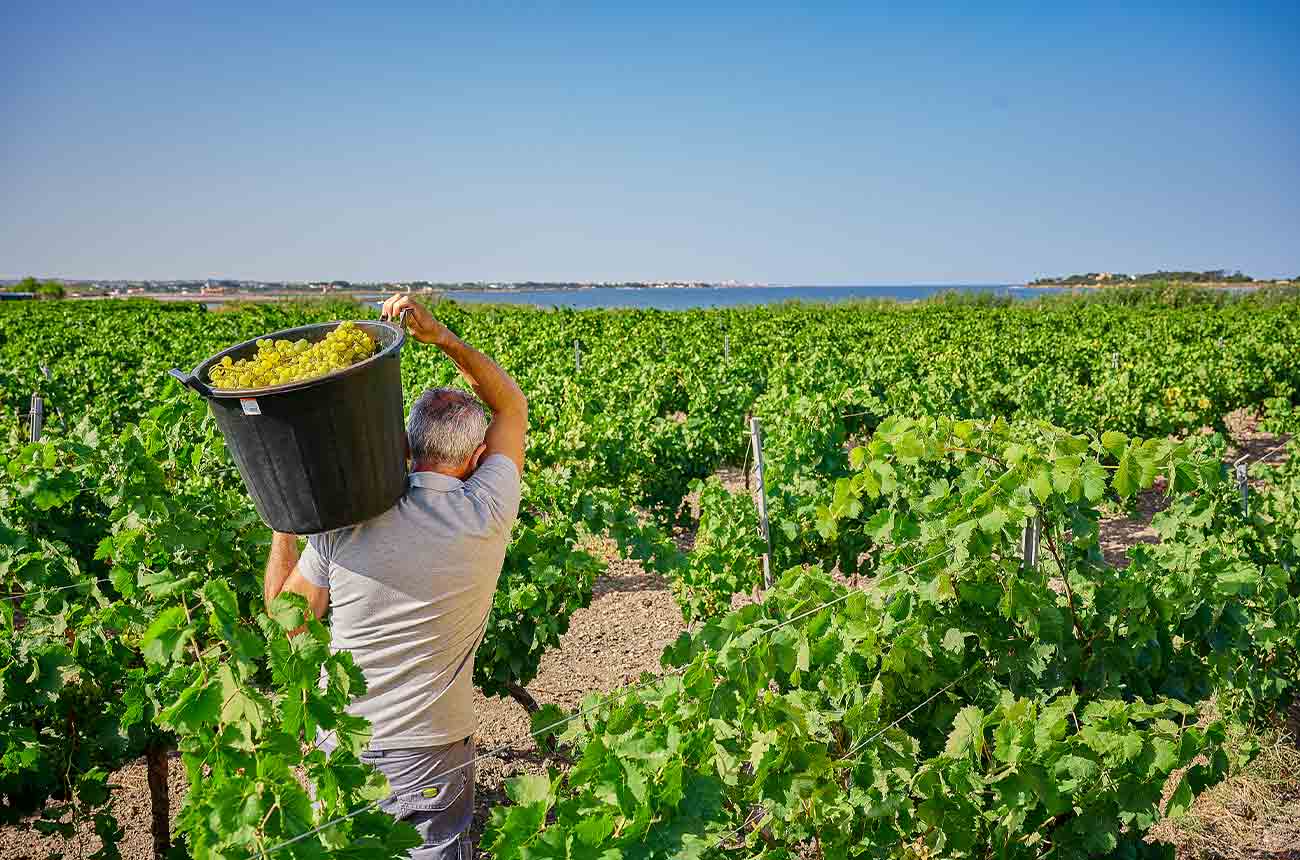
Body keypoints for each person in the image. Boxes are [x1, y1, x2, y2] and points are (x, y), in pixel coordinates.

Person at [263, 293, 527, 860]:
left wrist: (286, 510)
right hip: (434, 749)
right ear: (479, 458)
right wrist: (445, 340)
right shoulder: (487, 511)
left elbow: (287, 621)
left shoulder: (344, 522)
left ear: (405, 448)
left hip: (344, 745)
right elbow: (512, 407)